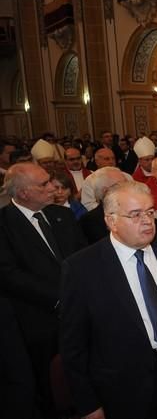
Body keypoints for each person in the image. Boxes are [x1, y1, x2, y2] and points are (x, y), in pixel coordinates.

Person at [60, 181, 157, 419]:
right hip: (124, 385)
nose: (147, 221)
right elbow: (74, 346)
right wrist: (89, 404)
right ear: (111, 221)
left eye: (150, 212)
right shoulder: (82, 268)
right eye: (135, 215)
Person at [0, 163, 87, 417]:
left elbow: (83, 257)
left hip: (79, 311)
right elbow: (8, 274)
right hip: (38, 318)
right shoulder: (4, 224)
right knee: (49, 384)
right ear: (24, 193)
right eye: (44, 184)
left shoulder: (63, 215)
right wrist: (59, 299)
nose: (52, 187)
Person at [78, 167, 157, 244]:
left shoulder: (137, 207)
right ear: (106, 192)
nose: (128, 189)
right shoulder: (89, 221)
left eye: (127, 184)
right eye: (121, 186)